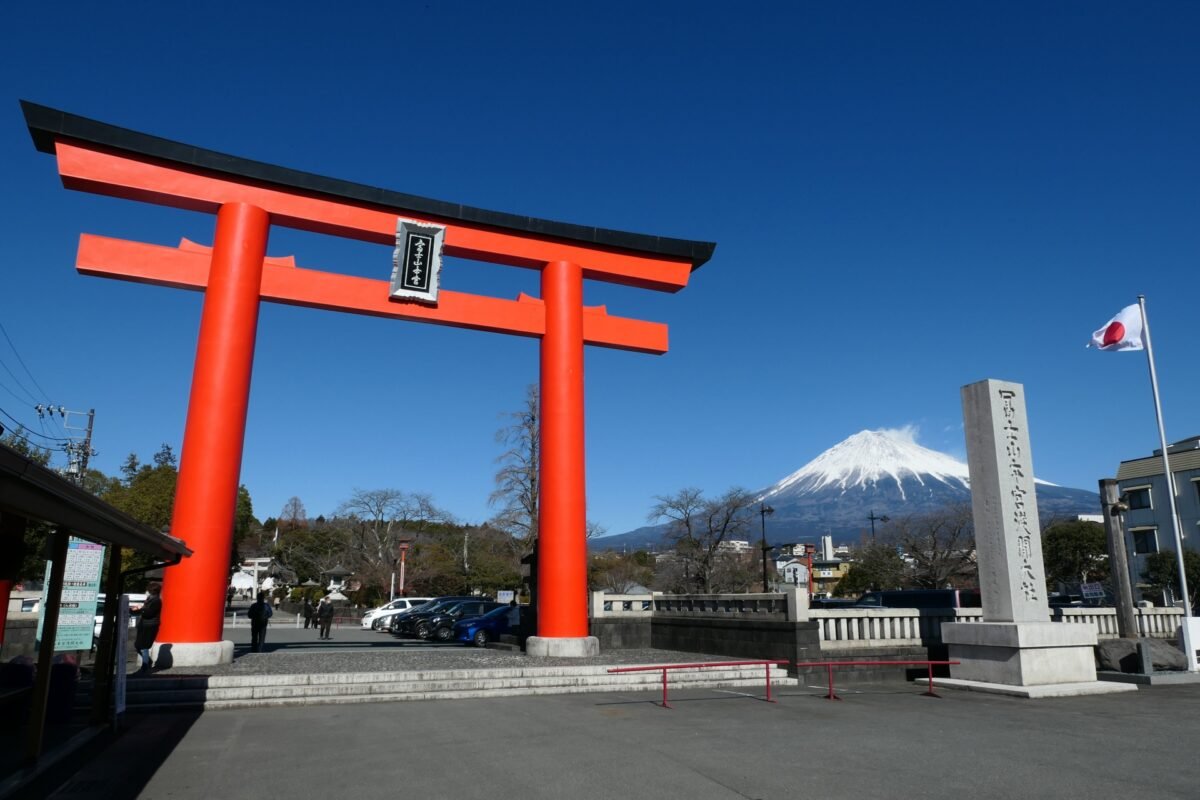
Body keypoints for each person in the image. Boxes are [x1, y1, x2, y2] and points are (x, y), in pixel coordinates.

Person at [134, 582, 162, 673]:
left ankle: (145, 665)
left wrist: (140, 609)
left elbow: (149, 613)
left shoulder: (156, 601)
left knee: (144, 646)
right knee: (138, 645)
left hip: (150, 625)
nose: (147, 591)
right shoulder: (150, 599)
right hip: (144, 624)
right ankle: (147, 662)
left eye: (148, 590)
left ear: (151, 591)